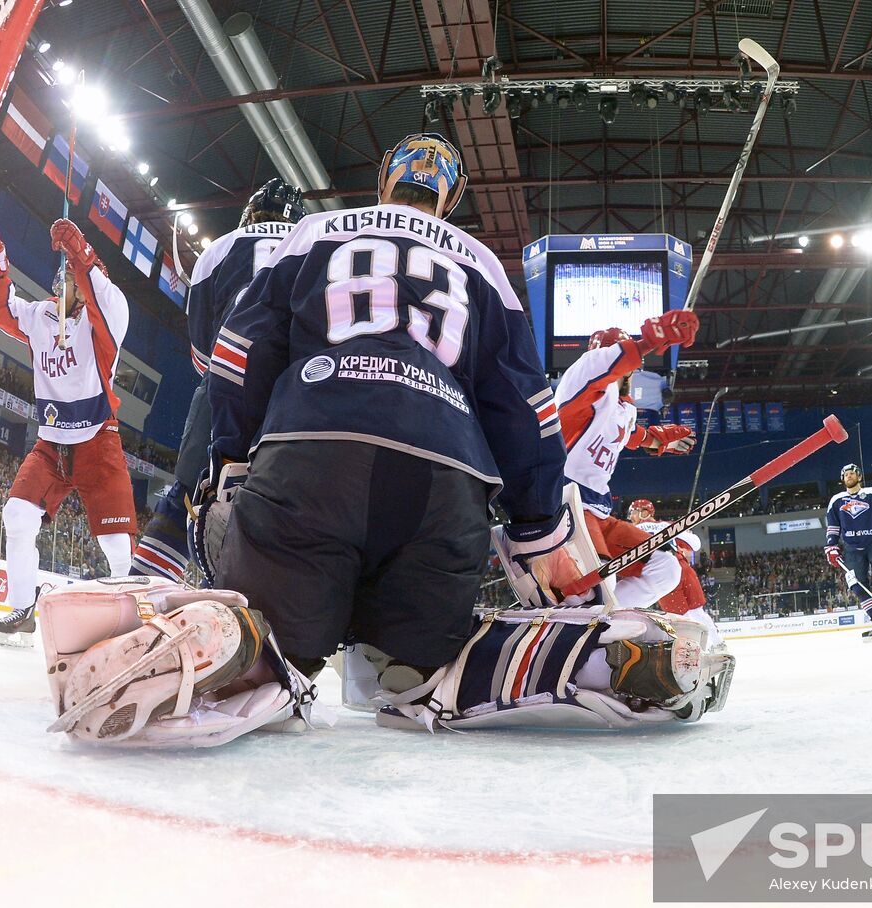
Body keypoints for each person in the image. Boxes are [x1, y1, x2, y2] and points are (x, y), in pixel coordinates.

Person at [202, 132, 591, 680]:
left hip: (312, 456)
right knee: (412, 676)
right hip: (445, 483)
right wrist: (537, 529)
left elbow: (240, 351)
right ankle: (464, 673)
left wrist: (233, 459)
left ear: (386, 174)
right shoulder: (479, 261)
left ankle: (257, 667)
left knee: (266, 660)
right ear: (450, 198)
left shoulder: (313, 231)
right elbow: (526, 405)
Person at [131, 179, 305, 582]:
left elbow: (201, 354)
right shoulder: (317, 249)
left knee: (187, 499)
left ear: (251, 213)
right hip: (296, 397)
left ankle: (142, 599)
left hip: (229, 375)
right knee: (289, 513)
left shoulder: (221, 247)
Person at [0, 220, 135, 645]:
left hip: (97, 438)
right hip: (52, 441)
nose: (66, 279)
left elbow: (104, 296)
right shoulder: (43, 313)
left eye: (75, 276)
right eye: (64, 273)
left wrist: (84, 255)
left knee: (118, 547)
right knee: (17, 514)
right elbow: (4, 311)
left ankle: (135, 625)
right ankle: (24, 608)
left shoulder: (109, 317)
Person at [553, 322, 698, 609]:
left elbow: (629, 435)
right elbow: (599, 365)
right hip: (568, 505)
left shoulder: (622, 407)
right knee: (600, 579)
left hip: (600, 511)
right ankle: (588, 625)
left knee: (666, 568)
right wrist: (647, 343)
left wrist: (662, 441)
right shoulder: (579, 386)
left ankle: (605, 618)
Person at [824, 463, 872, 639]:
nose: (849, 476)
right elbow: (833, 527)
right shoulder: (836, 500)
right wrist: (832, 547)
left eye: (852, 473)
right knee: (858, 586)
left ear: (859, 476)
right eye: (846, 475)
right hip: (851, 548)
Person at [626, 497, 719, 646]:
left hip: (664, 575)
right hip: (684, 569)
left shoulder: (631, 530)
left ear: (645, 512)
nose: (631, 517)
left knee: (680, 618)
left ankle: (696, 649)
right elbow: (695, 544)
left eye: (634, 512)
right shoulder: (667, 525)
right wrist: (685, 533)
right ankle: (718, 643)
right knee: (697, 612)